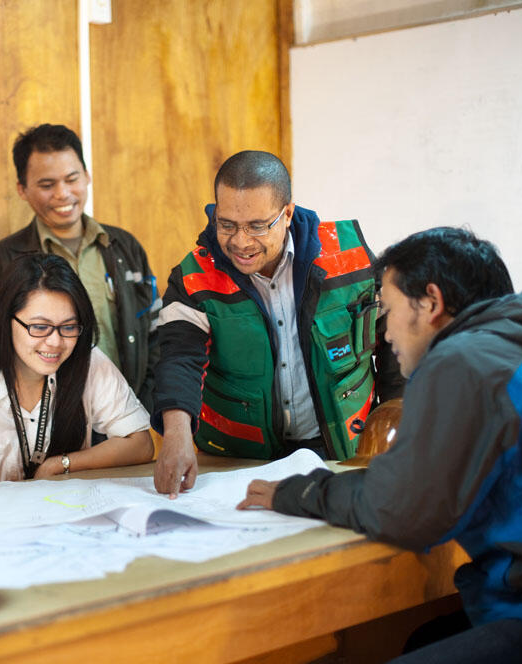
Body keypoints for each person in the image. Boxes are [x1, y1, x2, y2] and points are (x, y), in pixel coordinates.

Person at [239, 227, 522, 664]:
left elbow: (403, 510)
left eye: (388, 308)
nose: (384, 334)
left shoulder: (463, 360)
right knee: (422, 636)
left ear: (432, 303)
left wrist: (299, 493)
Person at [153, 150, 403, 496]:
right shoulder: (194, 276)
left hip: (339, 449)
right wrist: (177, 438)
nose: (241, 241)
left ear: (286, 214)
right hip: (240, 460)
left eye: (257, 226)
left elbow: (395, 342)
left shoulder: (348, 257)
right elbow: (179, 358)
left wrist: (395, 421)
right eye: (226, 224)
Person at [0, 254, 154, 483]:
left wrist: (60, 464)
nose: (55, 342)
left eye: (69, 327)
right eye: (40, 327)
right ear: (5, 321)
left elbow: (141, 443)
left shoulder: (88, 361)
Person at [0, 124, 159, 409]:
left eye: (72, 178)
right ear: (22, 189)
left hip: (124, 414)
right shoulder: (2, 261)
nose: (63, 194)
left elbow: (157, 335)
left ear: (87, 175)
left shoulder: (125, 247)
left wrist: (143, 404)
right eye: (47, 185)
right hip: (44, 423)